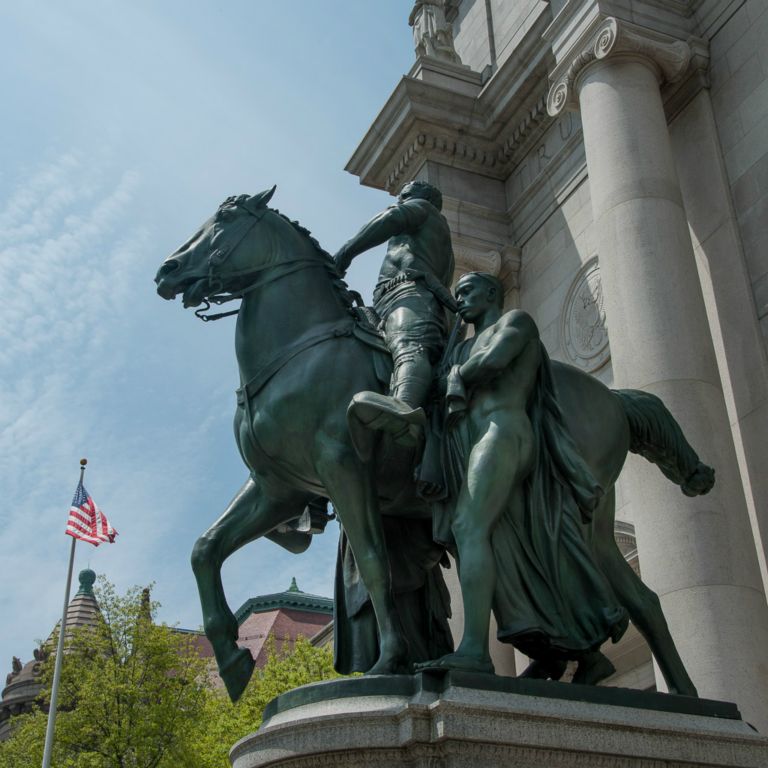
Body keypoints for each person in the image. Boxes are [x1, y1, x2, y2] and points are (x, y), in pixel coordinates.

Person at [417, 272, 627, 680]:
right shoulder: (459, 347)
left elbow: (494, 361)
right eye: (456, 294)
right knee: (500, 550)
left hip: (506, 433)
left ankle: (476, 651)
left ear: (492, 292)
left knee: (468, 526)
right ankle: (574, 652)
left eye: (468, 291)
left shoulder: (515, 322)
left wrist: (452, 378)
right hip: (475, 446)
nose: (460, 300)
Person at [334, 180, 455, 445]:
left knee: (409, 347)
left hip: (414, 294)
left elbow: (392, 217)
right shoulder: (427, 233)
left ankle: (404, 409)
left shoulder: (425, 210)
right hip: (390, 298)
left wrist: (346, 252)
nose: (399, 201)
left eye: (404, 197)